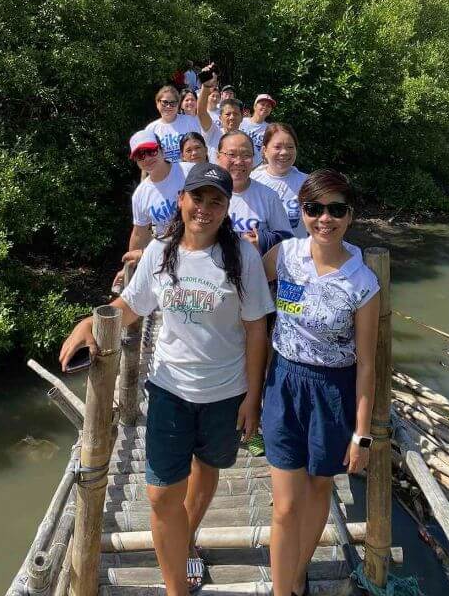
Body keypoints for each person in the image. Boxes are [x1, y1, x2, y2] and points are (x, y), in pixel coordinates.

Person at [60, 162, 274, 596]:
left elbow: (256, 328)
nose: (205, 209)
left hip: (225, 393)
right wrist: (91, 321)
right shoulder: (161, 251)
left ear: (227, 207)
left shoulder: (242, 256)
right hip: (170, 389)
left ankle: (187, 535)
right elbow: (130, 307)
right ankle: (177, 587)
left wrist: (254, 398)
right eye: (198, 198)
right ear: (182, 199)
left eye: (217, 201)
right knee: (160, 496)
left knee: (208, 466)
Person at [261, 169, 381, 596]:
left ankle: (296, 578)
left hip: (332, 391)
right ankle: (281, 590)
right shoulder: (284, 255)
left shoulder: (362, 282)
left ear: (350, 216)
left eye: (335, 210)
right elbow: (245, 290)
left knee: (317, 493)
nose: (324, 218)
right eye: (314, 209)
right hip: (283, 383)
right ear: (302, 211)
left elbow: (366, 364)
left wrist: (361, 436)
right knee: (286, 506)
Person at [112, 131, 190, 289]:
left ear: (162, 150)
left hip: (198, 249)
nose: (147, 158)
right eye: (140, 155)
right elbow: (139, 233)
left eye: (151, 151)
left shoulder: (189, 172)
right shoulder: (140, 195)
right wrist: (127, 267)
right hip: (168, 257)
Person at [217, 131, 292, 255]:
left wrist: (261, 241)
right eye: (231, 154)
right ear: (218, 156)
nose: (239, 161)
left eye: (246, 155)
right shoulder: (208, 194)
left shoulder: (269, 196)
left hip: (256, 271)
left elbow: (287, 239)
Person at [251, 123, 308, 238]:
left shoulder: (307, 182)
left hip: (296, 253)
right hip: (261, 253)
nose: (284, 152)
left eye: (290, 147)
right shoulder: (252, 180)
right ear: (264, 150)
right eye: (277, 147)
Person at [146, 84, 200, 163]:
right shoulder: (151, 129)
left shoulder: (190, 121)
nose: (168, 106)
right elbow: (147, 158)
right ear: (157, 104)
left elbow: (199, 150)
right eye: (164, 102)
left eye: (173, 103)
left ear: (178, 104)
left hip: (189, 172)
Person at [240, 94, 276, 167]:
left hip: (256, 169)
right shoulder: (241, 122)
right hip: (237, 163)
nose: (265, 107)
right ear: (255, 106)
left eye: (268, 106)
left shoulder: (270, 129)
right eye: (262, 104)